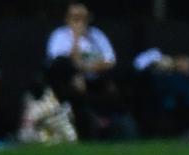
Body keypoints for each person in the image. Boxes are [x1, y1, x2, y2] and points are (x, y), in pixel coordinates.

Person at [46, 3, 137, 139]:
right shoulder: (59, 36)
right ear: (67, 19)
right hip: (68, 83)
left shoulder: (97, 35)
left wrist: (85, 68)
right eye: (75, 18)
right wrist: (76, 38)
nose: (80, 22)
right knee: (66, 69)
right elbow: (61, 64)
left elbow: (110, 61)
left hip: (96, 79)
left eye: (83, 17)